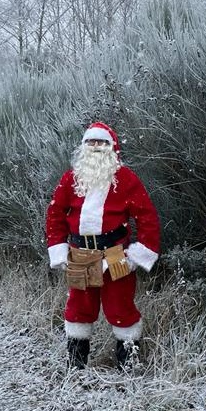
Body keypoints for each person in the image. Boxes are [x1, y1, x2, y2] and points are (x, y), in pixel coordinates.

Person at [46, 122, 160, 369]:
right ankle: (76, 366)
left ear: (111, 147)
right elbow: (55, 213)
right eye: (91, 142)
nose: (96, 147)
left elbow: (147, 217)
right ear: (84, 146)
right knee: (78, 307)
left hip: (116, 254)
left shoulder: (126, 179)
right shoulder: (71, 178)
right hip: (80, 253)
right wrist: (59, 248)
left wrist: (136, 256)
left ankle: (128, 365)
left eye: (101, 142)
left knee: (121, 307)